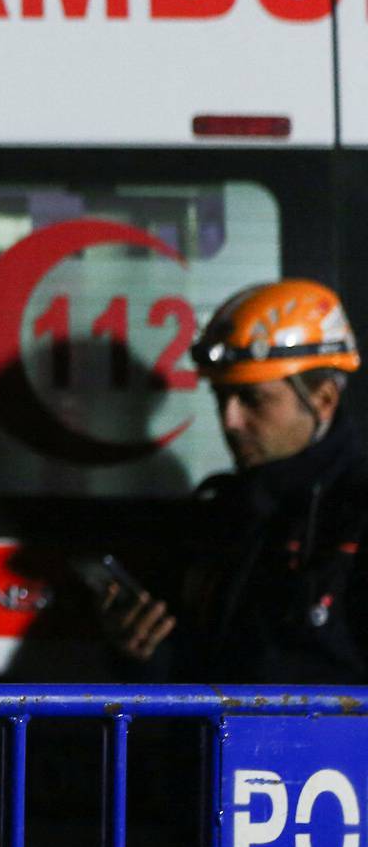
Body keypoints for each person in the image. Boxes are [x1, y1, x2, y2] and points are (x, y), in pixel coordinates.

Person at [103, 278, 368, 680]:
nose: (230, 421)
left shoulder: (356, 513)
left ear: (324, 398)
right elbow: (200, 673)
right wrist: (142, 653)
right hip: (220, 743)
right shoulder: (224, 511)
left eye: (252, 399)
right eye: (221, 397)